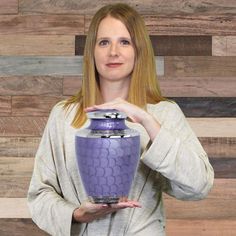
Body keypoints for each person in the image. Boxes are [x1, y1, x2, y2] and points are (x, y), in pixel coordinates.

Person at [27, 3, 214, 236]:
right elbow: (39, 196)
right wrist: (77, 214)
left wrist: (147, 121)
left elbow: (199, 186)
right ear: (92, 51)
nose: (113, 51)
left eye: (124, 42)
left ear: (139, 50)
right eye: (104, 42)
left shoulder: (163, 114)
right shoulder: (63, 116)